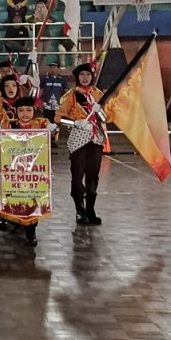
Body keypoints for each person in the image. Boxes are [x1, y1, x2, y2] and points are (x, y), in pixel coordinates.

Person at [55, 63, 107, 225]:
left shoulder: (98, 94)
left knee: (93, 175)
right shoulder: (71, 95)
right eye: (82, 75)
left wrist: (100, 111)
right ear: (77, 77)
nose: (85, 78)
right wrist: (75, 122)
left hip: (95, 138)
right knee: (77, 175)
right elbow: (58, 117)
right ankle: (79, 210)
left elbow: (107, 119)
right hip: (78, 139)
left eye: (88, 75)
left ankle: (91, 210)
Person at [0, 96, 55, 247]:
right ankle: (15, 220)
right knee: (14, 196)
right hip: (14, 171)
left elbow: (53, 136)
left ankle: (31, 231)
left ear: (34, 110)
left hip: (35, 172)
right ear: (15, 111)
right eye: (21, 110)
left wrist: (53, 130)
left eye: (29, 110)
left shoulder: (42, 123)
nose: (25, 114)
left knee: (33, 199)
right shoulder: (9, 125)